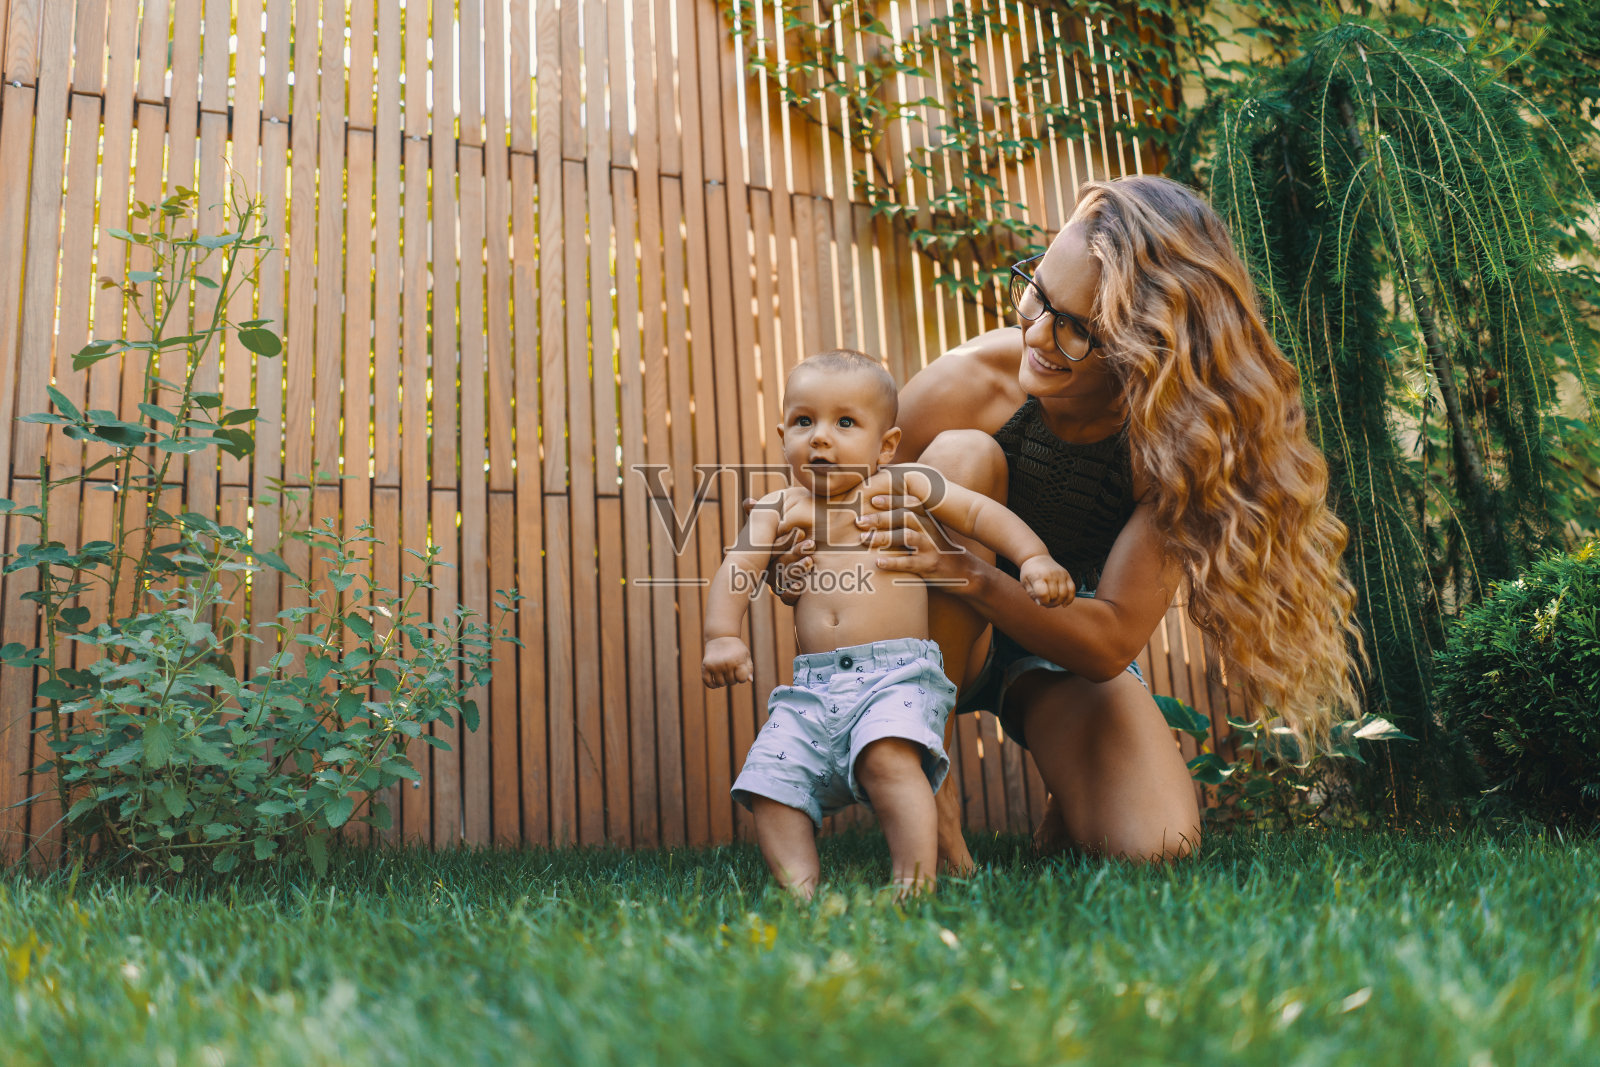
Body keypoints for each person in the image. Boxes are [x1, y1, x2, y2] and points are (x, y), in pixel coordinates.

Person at [766, 176, 1363, 873]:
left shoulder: (1175, 444)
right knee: (961, 455)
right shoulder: (970, 382)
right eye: (1039, 293)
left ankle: (1069, 779)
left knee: (1157, 844)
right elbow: (828, 517)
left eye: (1078, 328)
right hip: (919, 642)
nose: (1038, 334)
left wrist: (974, 576)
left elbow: (1109, 638)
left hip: (1057, 639)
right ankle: (937, 791)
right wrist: (793, 567)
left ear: (1149, 348)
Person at [703, 349, 1074, 899]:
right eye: (804, 422)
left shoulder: (903, 486)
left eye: (844, 423)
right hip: (811, 686)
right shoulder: (779, 508)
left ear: (887, 445)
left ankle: (912, 884)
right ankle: (801, 895)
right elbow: (737, 568)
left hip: (895, 675)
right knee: (770, 786)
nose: (820, 438)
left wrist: (1035, 557)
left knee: (889, 761)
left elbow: (979, 515)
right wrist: (722, 636)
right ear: (782, 435)